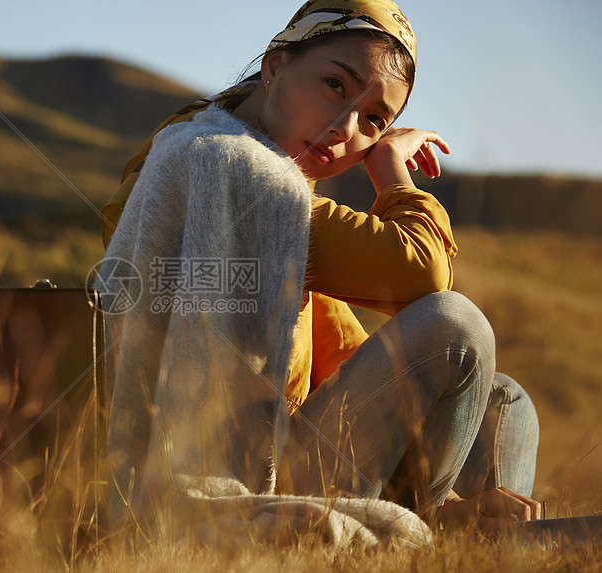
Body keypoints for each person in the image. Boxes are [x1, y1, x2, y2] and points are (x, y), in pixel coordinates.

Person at [96, 0, 541, 543]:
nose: (343, 128)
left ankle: (482, 540)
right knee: (457, 328)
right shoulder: (231, 169)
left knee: (504, 397)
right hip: (248, 469)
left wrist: (447, 492)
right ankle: (444, 538)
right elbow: (426, 275)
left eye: (375, 120)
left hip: (303, 448)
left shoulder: (283, 201)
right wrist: (392, 173)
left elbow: (345, 363)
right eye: (335, 85)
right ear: (275, 64)